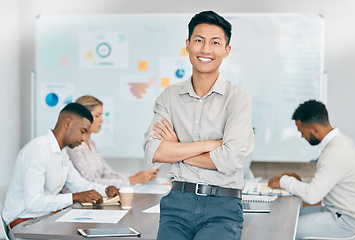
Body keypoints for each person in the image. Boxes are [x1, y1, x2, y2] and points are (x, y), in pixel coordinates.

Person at [143, 10, 254, 240]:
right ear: (188, 44)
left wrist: (178, 149)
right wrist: (210, 145)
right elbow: (154, 150)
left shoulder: (238, 98)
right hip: (177, 205)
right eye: (199, 41)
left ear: (226, 50)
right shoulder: (169, 96)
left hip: (222, 206)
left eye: (215, 42)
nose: (205, 49)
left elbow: (231, 159)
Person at [2, 103, 120, 239]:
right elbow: (33, 203)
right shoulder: (38, 150)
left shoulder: (62, 153)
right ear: (67, 123)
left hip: (45, 220)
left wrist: (106, 189)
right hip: (23, 225)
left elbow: (80, 185)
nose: (83, 139)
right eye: (82, 131)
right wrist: (74, 197)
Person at [268, 100, 355, 239]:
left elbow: (312, 196)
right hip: (337, 212)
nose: (302, 136)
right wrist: (300, 181)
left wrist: (283, 181)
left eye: (302, 131)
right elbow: (326, 181)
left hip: (347, 221)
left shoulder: (334, 152)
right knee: (290, 216)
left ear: (315, 129)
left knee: (286, 227)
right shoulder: (341, 142)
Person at [66, 95, 159, 188]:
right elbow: (89, 182)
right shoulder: (74, 145)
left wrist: (140, 176)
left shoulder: (91, 142)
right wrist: (132, 180)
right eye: (97, 116)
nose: (102, 120)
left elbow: (108, 174)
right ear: (83, 117)